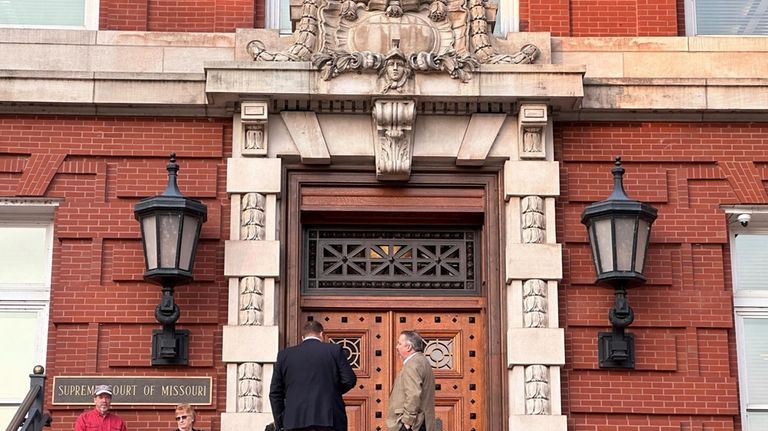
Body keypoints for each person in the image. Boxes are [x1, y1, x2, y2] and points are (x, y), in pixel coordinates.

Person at [269, 320, 357, 431]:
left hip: (294, 421)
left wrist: (280, 422)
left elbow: (275, 393)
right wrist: (331, 390)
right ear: (321, 334)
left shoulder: (285, 355)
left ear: (302, 337)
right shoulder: (334, 350)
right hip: (329, 419)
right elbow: (350, 380)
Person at [386, 331, 436, 431]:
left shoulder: (413, 364)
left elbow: (413, 394)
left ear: (409, 347)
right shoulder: (422, 361)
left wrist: (407, 423)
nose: (396, 347)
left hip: (413, 425)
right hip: (421, 422)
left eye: (399, 343)